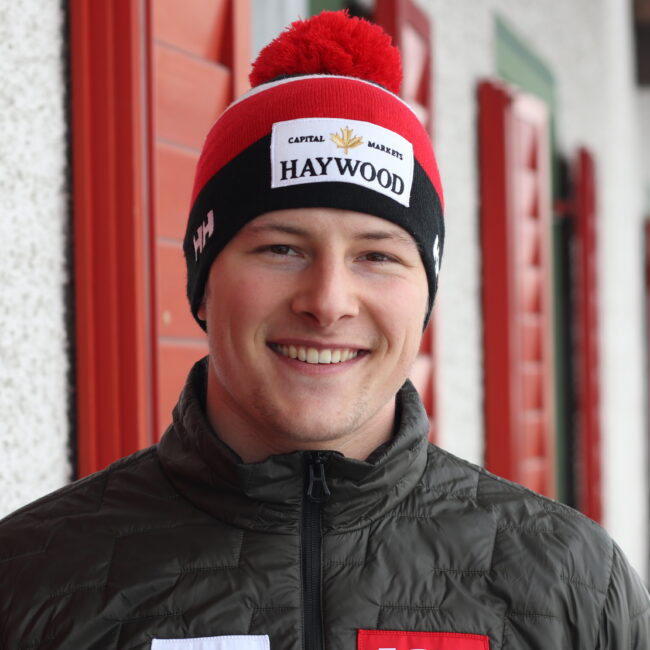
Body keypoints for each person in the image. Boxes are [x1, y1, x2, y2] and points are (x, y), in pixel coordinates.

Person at [0, 10, 648, 650]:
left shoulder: (575, 586)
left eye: (377, 255)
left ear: (425, 297)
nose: (329, 301)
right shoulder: (31, 580)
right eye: (282, 248)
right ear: (202, 281)